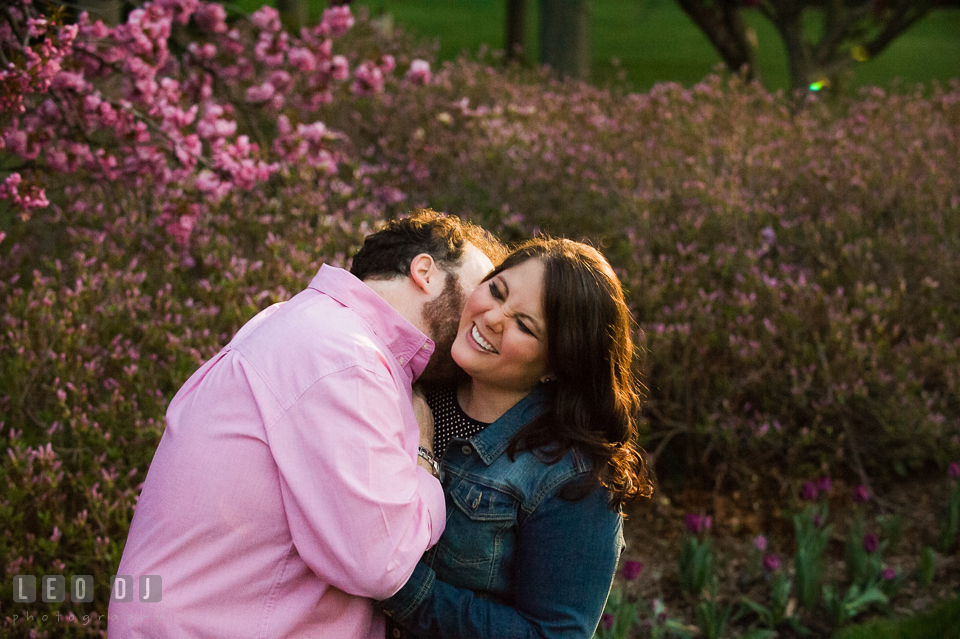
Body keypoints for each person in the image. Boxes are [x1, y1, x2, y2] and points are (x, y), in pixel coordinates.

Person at [108, 210, 505, 638]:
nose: (485, 315)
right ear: (424, 271)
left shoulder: (311, 326)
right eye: (482, 290)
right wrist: (424, 462)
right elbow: (380, 561)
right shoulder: (344, 356)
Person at [379, 237, 655, 639]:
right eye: (496, 290)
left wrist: (394, 584)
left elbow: (553, 634)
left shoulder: (569, 476)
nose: (492, 317)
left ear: (557, 365)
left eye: (524, 325)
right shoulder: (409, 385)